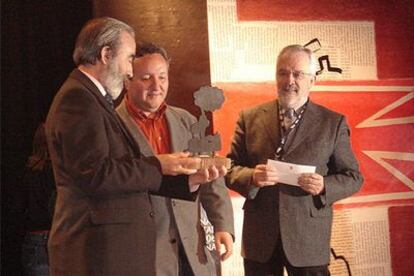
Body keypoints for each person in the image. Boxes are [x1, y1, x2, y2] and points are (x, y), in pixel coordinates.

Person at [45, 17, 222, 275]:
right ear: (106, 54)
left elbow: (117, 173)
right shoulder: (78, 99)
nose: (130, 71)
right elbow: (96, 174)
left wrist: (189, 181)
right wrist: (159, 164)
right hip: (96, 254)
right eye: (129, 58)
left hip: (114, 252)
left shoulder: (91, 98)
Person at [225, 44, 363, 276]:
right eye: (283, 73)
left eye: (298, 74)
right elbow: (229, 169)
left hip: (308, 240)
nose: (290, 80)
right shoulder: (248, 118)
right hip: (260, 239)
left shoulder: (333, 123)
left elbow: (354, 177)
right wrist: (251, 177)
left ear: (312, 81)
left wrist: (324, 186)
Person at [116, 42, 234, 276]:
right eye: (146, 78)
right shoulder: (112, 126)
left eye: (162, 77)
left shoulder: (187, 121)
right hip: (145, 254)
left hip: (192, 249)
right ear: (127, 80)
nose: (156, 86)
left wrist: (223, 226)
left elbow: (211, 177)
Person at [19, 122, 55, 276]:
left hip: (33, 236)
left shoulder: (27, 172)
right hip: (56, 237)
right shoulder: (60, 173)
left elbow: (18, 208)